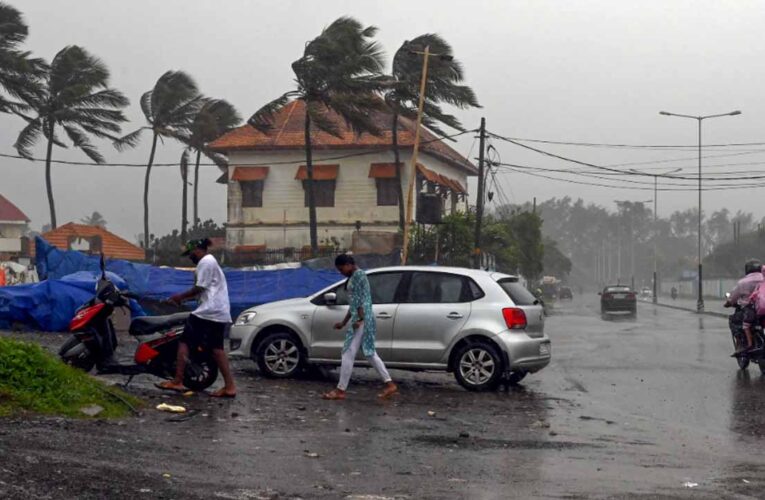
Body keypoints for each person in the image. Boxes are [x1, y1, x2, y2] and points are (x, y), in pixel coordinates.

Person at [156, 238, 237, 398]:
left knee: (185, 341)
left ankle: (178, 380)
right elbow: (204, 292)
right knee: (217, 349)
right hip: (218, 311)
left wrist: (179, 297)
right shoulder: (211, 262)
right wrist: (183, 299)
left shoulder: (205, 262)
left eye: (190, 253)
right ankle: (230, 387)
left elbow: (199, 288)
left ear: (197, 249)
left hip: (209, 311)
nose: (190, 257)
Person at [322, 254, 398, 401]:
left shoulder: (358, 276)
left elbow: (360, 301)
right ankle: (390, 384)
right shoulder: (357, 276)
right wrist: (344, 322)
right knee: (370, 353)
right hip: (364, 319)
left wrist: (361, 319)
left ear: (349, 264)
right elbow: (354, 303)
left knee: (347, 352)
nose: (341, 272)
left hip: (362, 320)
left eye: (341, 268)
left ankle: (340, 390)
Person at [725, 258, 764, 354]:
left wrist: (728, 303)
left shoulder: (743, 283)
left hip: (749, 311)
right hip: (763, 310)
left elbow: (733, 297)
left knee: (734, 321)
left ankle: (741, 345)